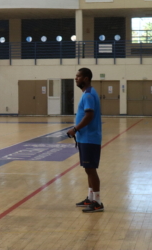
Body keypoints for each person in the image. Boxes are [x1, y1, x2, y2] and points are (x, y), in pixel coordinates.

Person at [67, 68, 103, 213]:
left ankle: (98, 202)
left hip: (90, 138)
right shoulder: (87, 93)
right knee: (88, 170)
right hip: (85, 138)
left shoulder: (88, 95)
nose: (76, 78)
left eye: (78, 76)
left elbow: (89, 116)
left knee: (91, 170)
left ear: (86, 78)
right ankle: (90, 197)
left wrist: (75, 129)